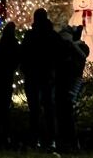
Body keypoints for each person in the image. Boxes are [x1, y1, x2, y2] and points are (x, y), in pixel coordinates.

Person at [20, 8, 61, 150]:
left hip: (33, 76)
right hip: (47, 75)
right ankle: (51, 140)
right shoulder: (53, 36)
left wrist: (25, 69)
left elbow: (23, 54)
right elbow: (58, 55)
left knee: (34, 110)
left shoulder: (30, 35)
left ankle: (35, 139)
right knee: (49, 108)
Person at [55, 24, 89, 152]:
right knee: (66, 115)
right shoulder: (77, 48)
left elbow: (73, 67)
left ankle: (71, 143)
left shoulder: (76, 49)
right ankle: (70, 143)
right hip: (69, 84)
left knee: (66, 115)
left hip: (70, 84)